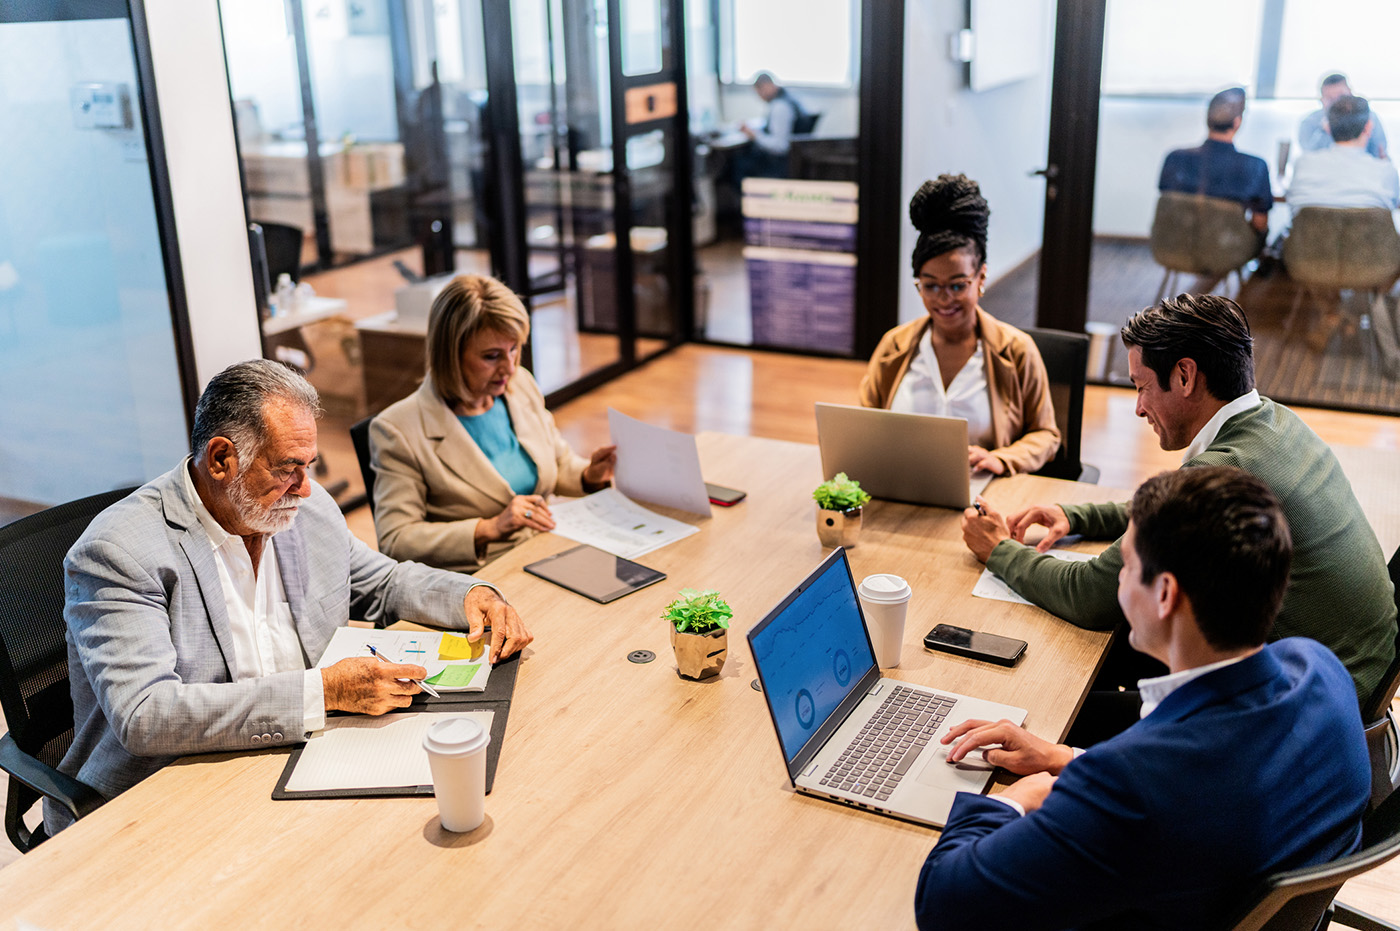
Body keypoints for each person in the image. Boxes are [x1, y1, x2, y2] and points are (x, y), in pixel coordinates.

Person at [49, 360, 533, 835]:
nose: (303, 488)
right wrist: (327, 691)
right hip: (161, 798)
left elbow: (382, 583)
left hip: (297, 763)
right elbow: (147, 717)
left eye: (310, 465)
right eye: (287, 468)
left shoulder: (305, 509)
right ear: (221, 460)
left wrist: (472, 593)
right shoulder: (119, 551)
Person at [916, 467, 1370, 931]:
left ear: (1165, 594)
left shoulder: (1133, 787)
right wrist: (1064, 757)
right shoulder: (1321, 671)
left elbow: (944, 903)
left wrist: (1022, 796)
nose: (1118, 581)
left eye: (1127, 566)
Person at [960, 293, 1396, 705]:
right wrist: (1076, 516)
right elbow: (1179, 511)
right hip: (1356, 668)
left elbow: (1089, 595)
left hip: (1308, 706)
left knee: (1070, 685)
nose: (1138, 407)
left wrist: (999, 549)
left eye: (1141, 387)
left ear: (1185, 376)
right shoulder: (1276, 422)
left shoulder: (1223, 468)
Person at [370, 274, 616, 571]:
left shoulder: (519, 386)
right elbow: (396, 539)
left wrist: (590, 474)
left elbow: (559, 463)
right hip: (479, 579)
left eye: (514, 349)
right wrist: (489, 528)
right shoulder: (398, 429)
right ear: (450, 355)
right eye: (491, 356)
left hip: (543, 553)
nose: (510, 367)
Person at [859, 174, 1060, 476]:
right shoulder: (894, 346)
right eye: (930, 286)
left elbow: (1046, 434)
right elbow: (861, 424)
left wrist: (1003, 459)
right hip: (903, 487)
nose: (943, 300)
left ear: (981, 277)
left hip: (984, 494)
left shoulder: (1016, 350)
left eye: (957, 286)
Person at [1158, 87, 1273, 235]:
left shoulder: (1174, 158)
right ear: (1237, 122)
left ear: (1208, 119)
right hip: (1227, 249)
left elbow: (1168, 208)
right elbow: (1260, 222)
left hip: (1174, 243)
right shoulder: (1255, 167)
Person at [1288, 94, 1400, 212]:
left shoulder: (1302, 165)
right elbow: (1390, 209)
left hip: (1309, 230)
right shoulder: (1386, 171)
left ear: (1327, 127)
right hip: (1368, 230)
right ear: (1368, 127)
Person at [735, 72, 809, 179]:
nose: (760, 97)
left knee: (737, 163)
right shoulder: (789, 99)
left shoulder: (780, 107)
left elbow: (780, 146)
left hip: (780, 164)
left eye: (758, 92)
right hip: (792, 161)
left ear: (766, 86)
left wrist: (755, 136)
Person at [1298, 72, 1388, 160]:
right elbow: (1308, 158)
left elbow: (1380, 154)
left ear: (1350, 93)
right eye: (1330, 99)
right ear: (1321, 100)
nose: (1337, 104)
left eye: (1341, 97)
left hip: (1362, 171)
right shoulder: (1308, 123)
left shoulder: (1369, 118)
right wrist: (1324, 132)